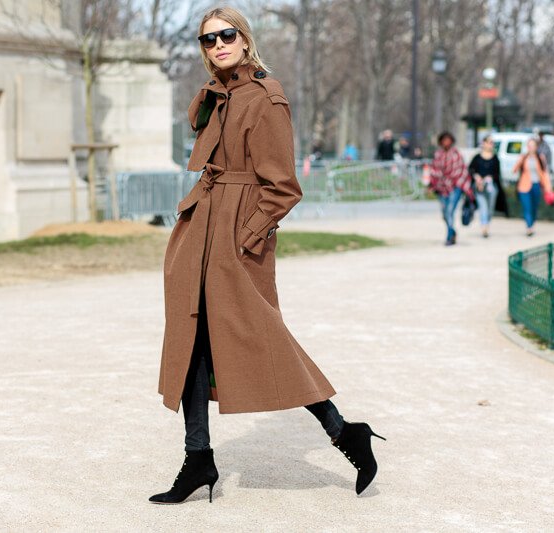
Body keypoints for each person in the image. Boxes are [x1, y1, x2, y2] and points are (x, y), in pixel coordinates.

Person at [151, 6, 385, 505]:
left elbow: (283, 188)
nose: (217, 46)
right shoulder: (222, 96)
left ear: (245, 38)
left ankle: (346, 433)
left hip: (236, 240)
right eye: (207, 40)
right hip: (201, 232)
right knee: (191, 341)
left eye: (226, 36)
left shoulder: (265, 98)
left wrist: (245, 239)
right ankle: (198, 459)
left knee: (264, 340)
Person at [428, 131, 474, 245]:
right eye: (444, 140)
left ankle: (449, 237)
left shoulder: (456, 154)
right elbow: (434, 171)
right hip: (441, 187)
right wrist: (432, 184)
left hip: (455, 186)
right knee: (445, 213)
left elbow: (461, 171)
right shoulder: (438, 155)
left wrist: (464, 186)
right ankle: (452, 231)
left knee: (450, 211)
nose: (446, 143)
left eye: (448, 140)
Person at [468, 135, 509, 238]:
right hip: (479, 187)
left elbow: (497, 174)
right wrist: (477, 177)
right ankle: (484, 227)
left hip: (491, 187)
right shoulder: (477, 157)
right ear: (484, 143)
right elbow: (471, 170)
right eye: (489, 142)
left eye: (492, 143)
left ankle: (487, 222)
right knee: (483, 207)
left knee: (490, 208)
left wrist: (489, 178)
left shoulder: (495, 158)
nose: (490, 145)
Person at [513, 138, 554, 237]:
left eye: (532, 146)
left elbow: (545, 173)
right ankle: (529, 227)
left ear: (536, 147)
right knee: (527, 207)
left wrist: (548, 188)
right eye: (529, 146)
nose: (530, 148)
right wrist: (520, 160)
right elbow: (514, 169)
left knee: (534, 207)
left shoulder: (540, 158)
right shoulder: (524, 157)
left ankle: (532, 223)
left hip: (536, 185)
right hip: (524, 186)